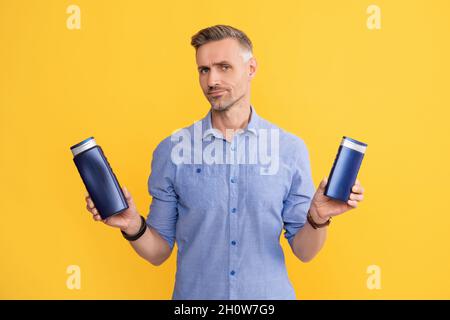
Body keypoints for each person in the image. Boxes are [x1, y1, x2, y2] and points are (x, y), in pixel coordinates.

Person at [85, 25, 365, 299]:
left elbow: (305, 252)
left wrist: (318, 218)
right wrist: (132, 225)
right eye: (204, 70)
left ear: (251, 68)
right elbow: (159, 253)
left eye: (224, 67)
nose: (211, 81)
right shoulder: (171, 151)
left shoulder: (289, 150)